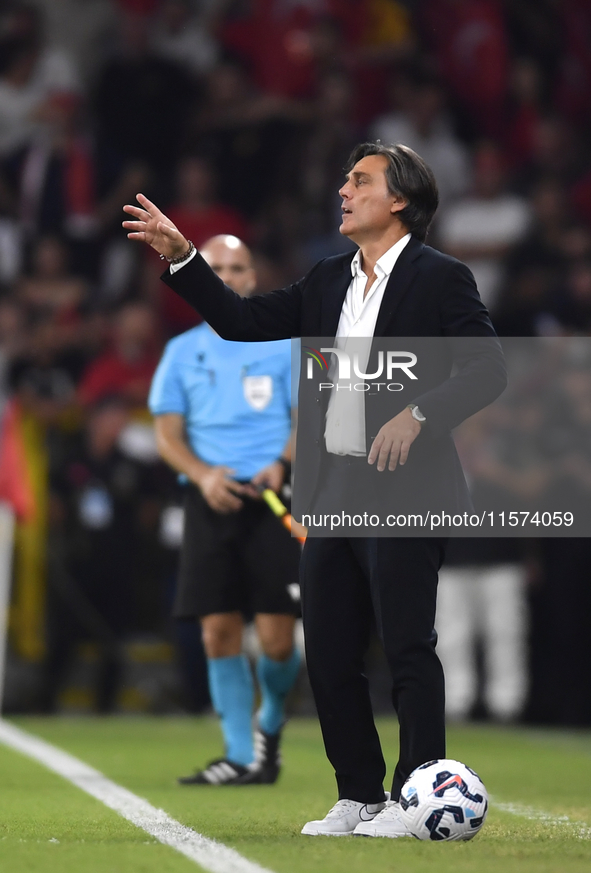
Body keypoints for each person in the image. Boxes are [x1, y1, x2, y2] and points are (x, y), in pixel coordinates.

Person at [124, 142, 506, 834]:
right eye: (343, 180)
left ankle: (413, 796)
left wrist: (418, 412)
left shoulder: (441, 277)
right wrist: (184, 258)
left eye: (358, 181)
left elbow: (486, 369)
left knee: (405, 645)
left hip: (409, 488)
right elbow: (241, 322)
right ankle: (358, 793)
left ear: (399, 200)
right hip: (333, 491)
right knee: (328, 648)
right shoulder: (327, 279)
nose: (342, 190)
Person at [148, 234, 301, 786]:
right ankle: (239, 756)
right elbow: (166, 435)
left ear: (254, 278)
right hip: (210, 500)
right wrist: (202, 473)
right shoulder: (181, 351)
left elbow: (309, 417)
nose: (230, 276)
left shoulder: (284, 345)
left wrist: (282, 464)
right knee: (218, 633)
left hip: (271, 499)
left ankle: (270, 722)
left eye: (238, 267)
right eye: (217, 268)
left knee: (280, 642)